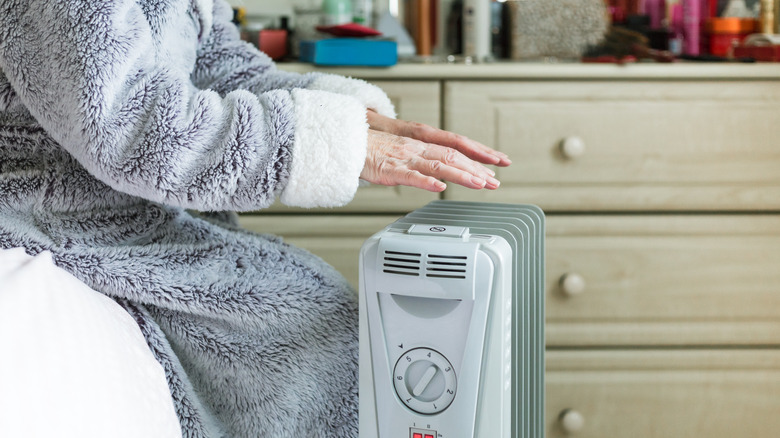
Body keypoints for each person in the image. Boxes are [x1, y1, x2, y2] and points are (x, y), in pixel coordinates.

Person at [0, 0, 510, 436]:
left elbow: (214, 60)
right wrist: (325, 143)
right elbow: (137, 126)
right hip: (49, 216)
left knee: (316, 308)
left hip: (127, 216)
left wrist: (356, 120)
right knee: (311, 330)